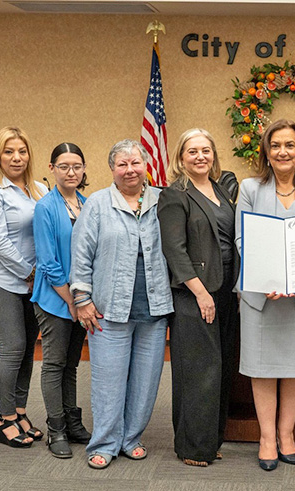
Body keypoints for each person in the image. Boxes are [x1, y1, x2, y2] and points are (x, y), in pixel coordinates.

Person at [234, 120, 295, 471]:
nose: (282, 152)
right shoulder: (249, 187)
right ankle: (265, 438)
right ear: (266, 150)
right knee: (261, 367)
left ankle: (286, 434)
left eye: (289, 145)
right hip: (262, 296)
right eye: (275, 145)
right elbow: (243, 239)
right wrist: (268, 278)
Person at [71, 139, 173, 469]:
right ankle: (104, 443)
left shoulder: (163, 200)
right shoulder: (98, 204)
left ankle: (131, 438)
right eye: (122, 164)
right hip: (108, 309)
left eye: (135, 163)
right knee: (108, 381)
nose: (130, 170)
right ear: (112, 169)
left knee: (146, 380)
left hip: (154, 308)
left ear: (146, 165)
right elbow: (81, 254)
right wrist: (82, 299)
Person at [158, 128, 240, 467]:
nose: (200, 156)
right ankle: (192, 447)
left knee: (220, 369)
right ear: (181, 157)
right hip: (195, 293)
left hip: (226, 291)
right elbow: (174, 250)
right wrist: (201, 293)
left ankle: (211, 440)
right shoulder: (174, 195)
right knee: (197, 370)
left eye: (206, 150)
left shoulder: (221, 189)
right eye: (192, 151)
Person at [0, 126, 48, 448]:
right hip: (0, 283)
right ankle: (3, 417)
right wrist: (29, 271)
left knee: (28, 351)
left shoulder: (40, 189)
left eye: (21, 151)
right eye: (8, 151)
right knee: (13, 347)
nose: (16, 158)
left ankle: (19, 411)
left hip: (34, 284)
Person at [31, 142, 92, 458]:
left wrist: (83, 299)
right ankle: (55, 430)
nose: (71, 171)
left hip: (81, 298)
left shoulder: (87, 203)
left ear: (84, 170)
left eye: (77, 166)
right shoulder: (45, 207)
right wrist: (71, 300)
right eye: (64, 166)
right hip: (55, 299)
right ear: (52, 168)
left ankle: (72, 422)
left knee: (71, 364)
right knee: (54, 364)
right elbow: (47, 261)